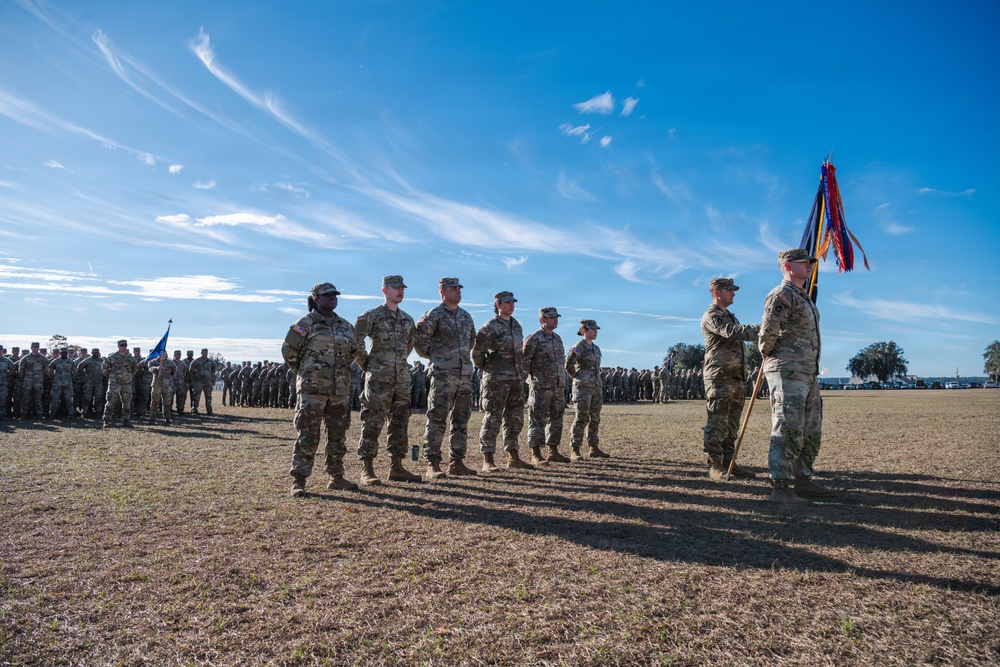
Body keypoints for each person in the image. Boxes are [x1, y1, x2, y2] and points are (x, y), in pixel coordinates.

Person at [759, 248, 835, 504]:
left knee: (810, 429)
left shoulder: (803, 296)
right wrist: (775, 358)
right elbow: (766, 335)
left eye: (811, 262)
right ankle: (780, 487)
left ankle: (803, 480)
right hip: (787, 370)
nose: (810, 266)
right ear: (789, 266)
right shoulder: (782, 294)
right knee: (787, 428)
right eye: (805, 262)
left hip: (807, 372)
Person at [283, 282, 360, 496]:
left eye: (335, 295)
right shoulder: (305, 323)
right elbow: (288, 351)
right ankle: (299, 480)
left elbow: (355, 351)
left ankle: (336, 477)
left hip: (339, 391)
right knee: (308, 435)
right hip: (312, 390)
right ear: (316, 299)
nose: (333, 298)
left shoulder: (345, 326)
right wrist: (306, 372)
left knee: (338, 435)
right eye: (327, 295)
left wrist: (341, 373)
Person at [353, 275, 421, 484]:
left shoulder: (408, 320)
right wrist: (369, 364)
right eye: (395, 288)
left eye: (402, 288)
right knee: (373, 422)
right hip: (378, 379)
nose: (400, 291)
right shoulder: (372, 316)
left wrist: (399, 363)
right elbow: (356, 340)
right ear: (385, 290)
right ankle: (367, 469)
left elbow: (410, 345)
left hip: (401, 379)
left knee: (400, 423)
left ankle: (397, 467)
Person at [414, 277, 479, 479]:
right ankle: (432, 463)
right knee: (437, 418)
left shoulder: (466, 316)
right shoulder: (434, 315)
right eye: (453, 289)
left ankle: (457, 462)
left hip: (464, 376)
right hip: (443, 375)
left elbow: (471, 341)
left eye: (459, 288)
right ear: (442, 292)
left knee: (461, 420)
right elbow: (420, 342)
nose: (458, 292)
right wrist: (438, 358)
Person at [700, 277, 760, 480]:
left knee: (732, 424)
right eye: (729, 290)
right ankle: (714, 464)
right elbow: (733, 333)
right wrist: (766, 328)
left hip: (735, 377)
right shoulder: (713, 316)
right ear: (717, 292)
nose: (733, 293)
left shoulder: (731, 316)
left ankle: (729, 462)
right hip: (719, 377)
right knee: (718, 421)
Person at [472, 290, 532, 472]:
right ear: (498, 304)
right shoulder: (490, 326)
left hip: (515, 379)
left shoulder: (516, 325)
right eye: (507, 302)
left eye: (513, 302)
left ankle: (513, 457)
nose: (511, 305)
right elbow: (477, 353)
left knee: (515, 419)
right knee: (493, 419)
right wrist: (490, 369)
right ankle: (488, 459)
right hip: (496, 380)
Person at [522, 306, 571, 465]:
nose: (555, 320)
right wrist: (532, 381)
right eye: (552, 317)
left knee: (557, 419)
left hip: (557, 386)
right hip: (540, 387)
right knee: (537, 420)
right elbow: (524, 362)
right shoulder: (534, 338)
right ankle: (535, 453)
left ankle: (553, 451)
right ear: (543, 320)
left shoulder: (557, 339)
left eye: (556, 317)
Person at [565, 320, 609, 459]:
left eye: (596, 329)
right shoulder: (578, 347)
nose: (596, 331)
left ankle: (593, 448)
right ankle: (575, 449)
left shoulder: (596, 348)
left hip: (596, 387)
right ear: (584, 330)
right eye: (592, 329)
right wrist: (578, 377)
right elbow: (568, 364)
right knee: (581, 417)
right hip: (583, 388)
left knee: (595, 418)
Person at [102, 339, 139, 427]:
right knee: (111, 401)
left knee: (127, 402)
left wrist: (128, 376)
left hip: (126, 383)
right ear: (118, 346)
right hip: (114, 383)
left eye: (125, 345)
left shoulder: (130, 358)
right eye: (121, 345)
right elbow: (104, 368)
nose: (123, 347)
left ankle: (126, 420)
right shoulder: (112, 357)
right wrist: (112, 377)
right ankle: (106, 420)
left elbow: (135, 368)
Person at [47, 347, 76, 419]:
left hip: (68, 383)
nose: (64, 354)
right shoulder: (55, 361)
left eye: (65, 353)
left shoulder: (71, 362)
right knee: (55, 399)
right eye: (62, 353)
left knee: (69, 399)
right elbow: (49, 371)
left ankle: (71, 414)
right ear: (60, 353)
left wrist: (70, 378)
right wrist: (54, 378)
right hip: (57, 383)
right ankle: (52, 414)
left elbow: (75, 372)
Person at [188, 348, 218, 415]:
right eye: (204, 353)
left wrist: (210, 375)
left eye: (206, 353)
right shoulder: (196, 361)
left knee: (208, 397)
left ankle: (209, 411)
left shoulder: (210, 361)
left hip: (207, 381)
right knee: (196, 396)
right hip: (198, 382)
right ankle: (194, 410)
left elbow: (214, 369)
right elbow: (191, 369)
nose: (205, 354)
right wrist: (196, 376)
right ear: (201, 353)